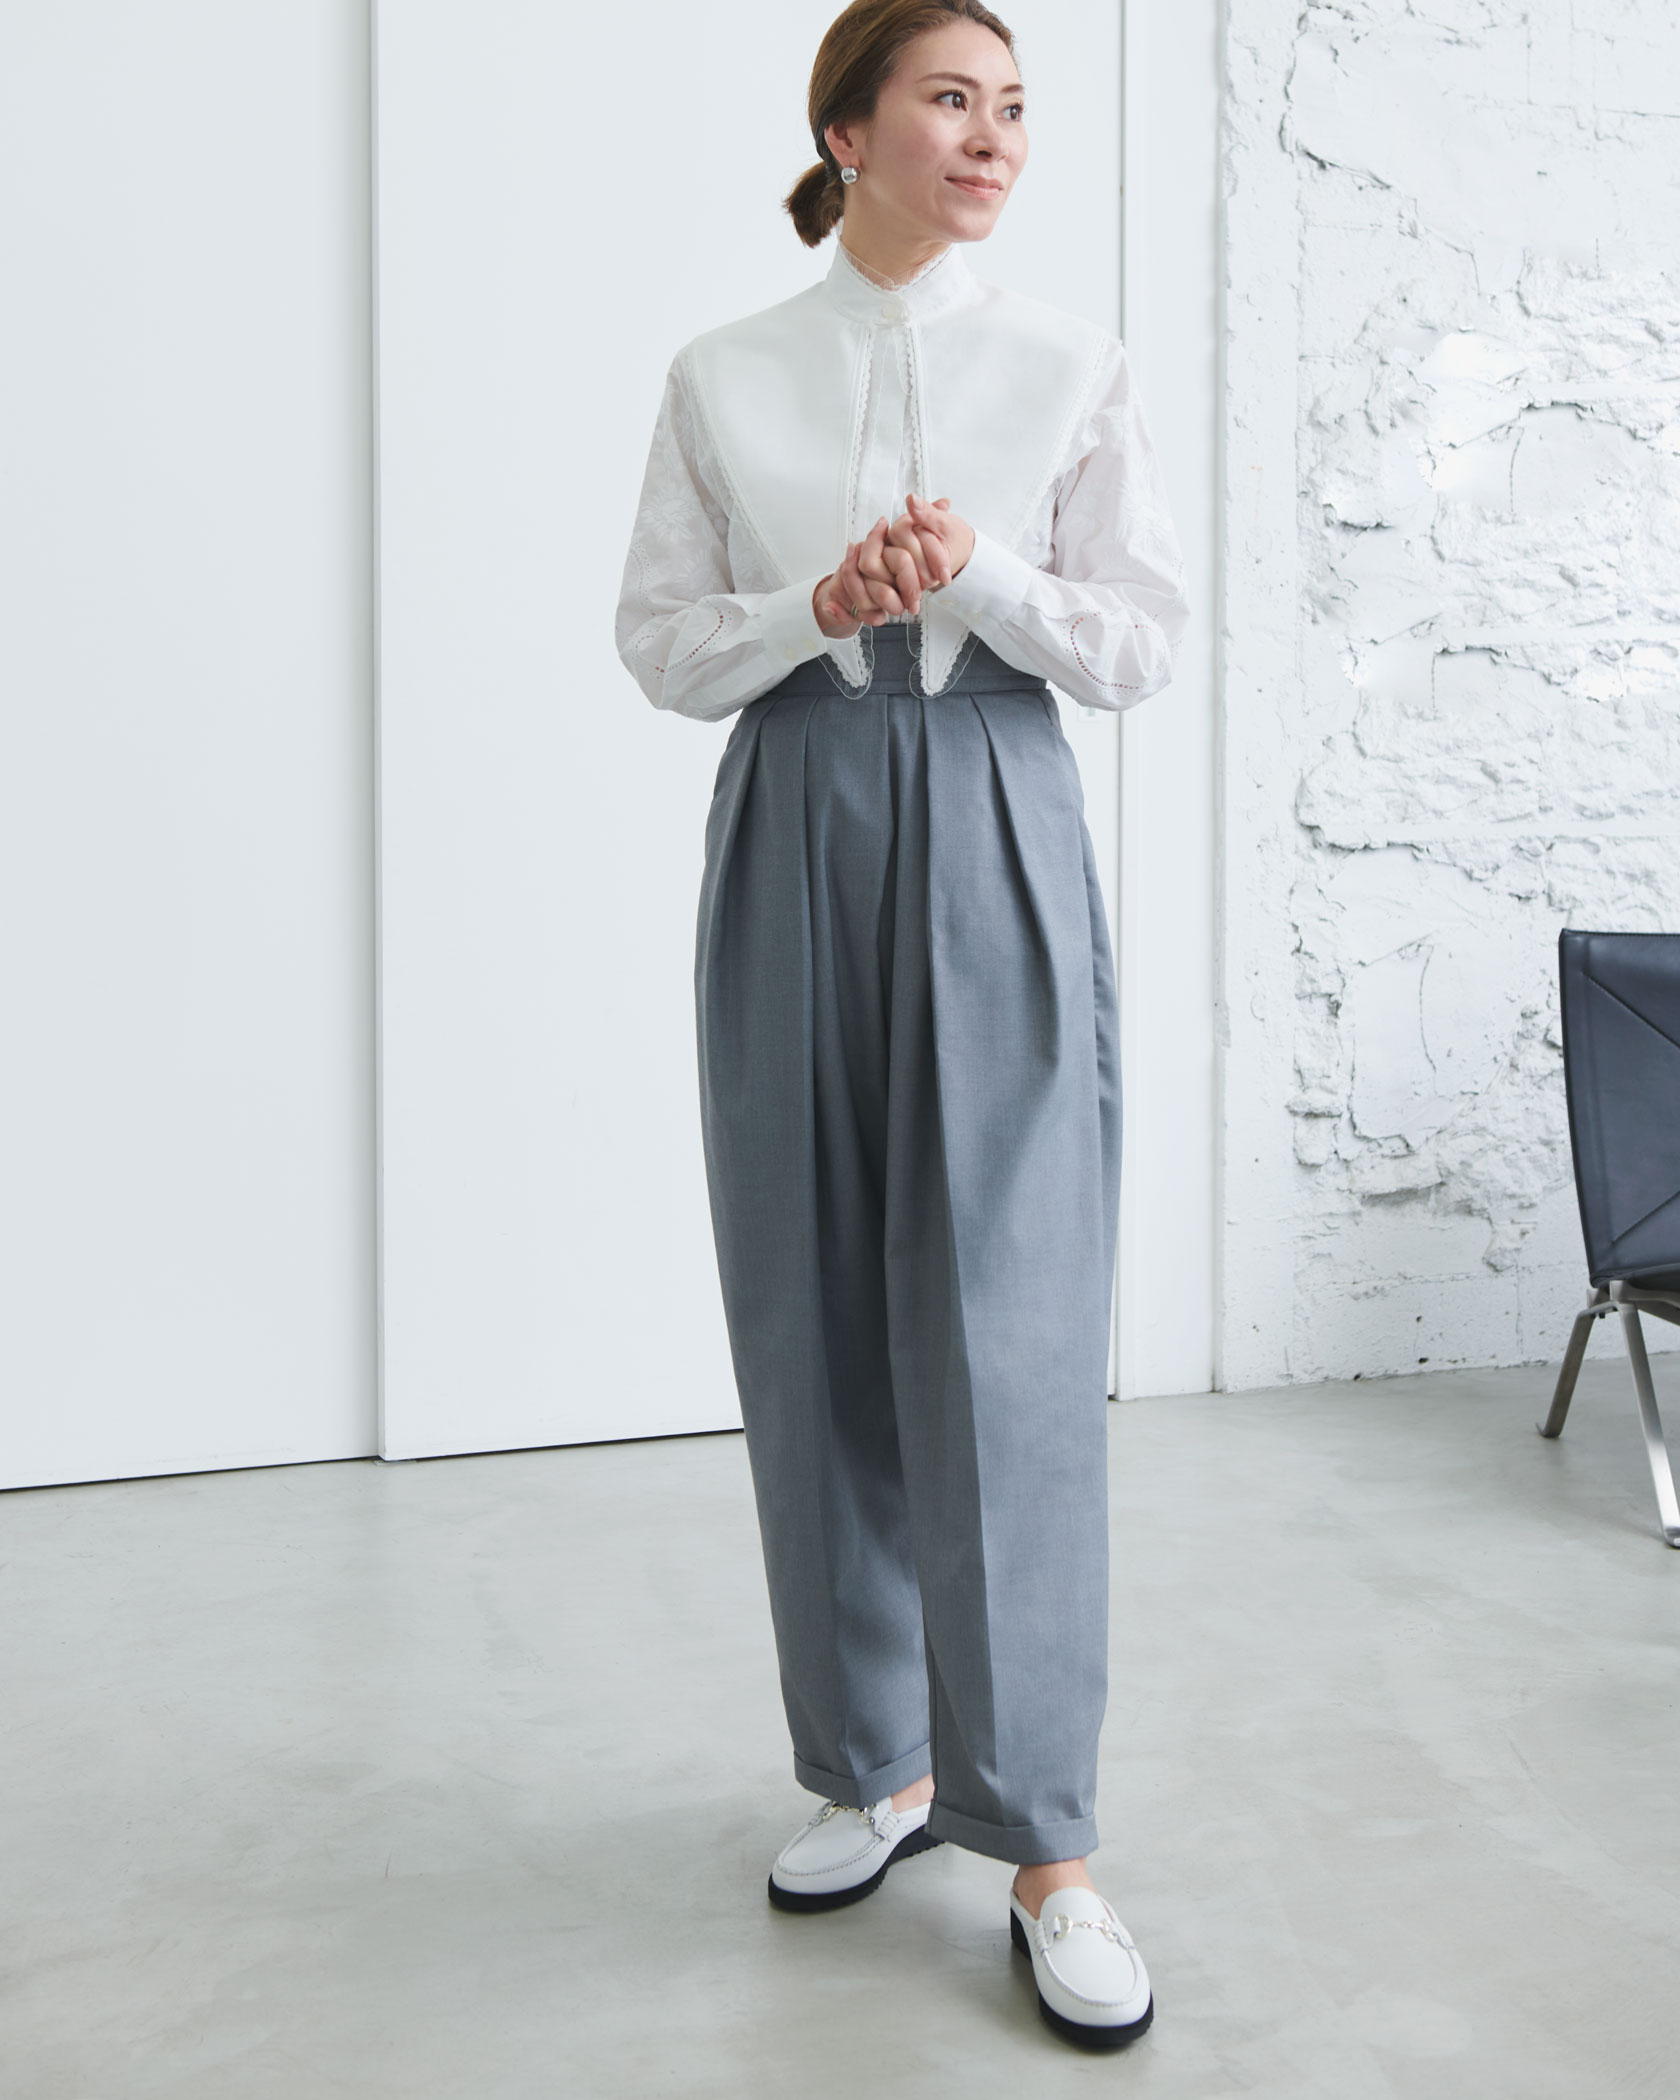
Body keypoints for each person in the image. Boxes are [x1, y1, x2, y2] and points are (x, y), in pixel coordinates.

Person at [614, 0, 1189, 2051]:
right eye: (952, 99)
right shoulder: (724, 373)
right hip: (795, 812)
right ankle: (875, 1766)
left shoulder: (1071, 361)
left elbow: (1137, 643)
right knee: (811, 1304)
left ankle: (1048, 1851)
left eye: (1015, 106)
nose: (994, 136)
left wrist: (982, 578)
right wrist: (817, 610)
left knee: (1009, 1333)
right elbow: (659, 642)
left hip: (997, 810)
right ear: (848, 130)